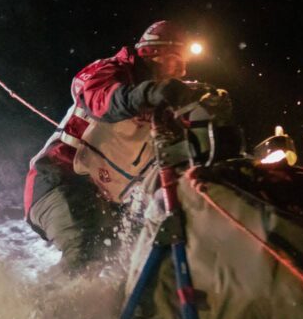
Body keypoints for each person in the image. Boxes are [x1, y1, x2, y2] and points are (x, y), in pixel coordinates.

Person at [24, 20, 197, 274]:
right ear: (154, 53)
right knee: (85, 252)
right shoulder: (112, 70)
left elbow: (182, 157)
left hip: (104, 202)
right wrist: (149, 93)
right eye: (175, 62)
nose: (179, 73)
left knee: (132, 267)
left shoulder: (163, 112)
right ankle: (38, 310)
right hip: (58, 179)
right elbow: (101, 99)